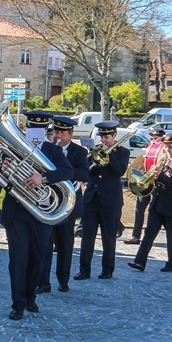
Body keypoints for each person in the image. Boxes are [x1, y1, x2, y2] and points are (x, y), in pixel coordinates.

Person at [2, 111, 72, 320]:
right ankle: (18, 303)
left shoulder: (53, 150)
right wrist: (4, 168)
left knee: (37, 259)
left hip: (41, 213)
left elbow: (68, 172)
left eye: (39, 130)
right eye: (32, 128)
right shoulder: (14, 148)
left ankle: (30, 296)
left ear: (45, 131)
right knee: (18, 259)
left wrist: (43, 178)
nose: (35, 133)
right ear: (27, 128)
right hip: (17, 212)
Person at [38, 116, 90, 293]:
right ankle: (43, 282)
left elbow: (85, 175)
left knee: (65, 246)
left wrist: (63, 170)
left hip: (68, 204)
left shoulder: (79, 152)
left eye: (63, 133)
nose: (59, 136)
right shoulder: (47, 150)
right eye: (56, 132)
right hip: (49, 202)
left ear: (71, 134)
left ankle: (63, 280)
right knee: (45, 245)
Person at [74, 120, 129, 281]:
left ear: (114, 136)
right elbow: (86, 174)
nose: (103, 140)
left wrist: (109, 154)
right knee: (87, 237)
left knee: (108, 237)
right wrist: (92, 157)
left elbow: (119, 171)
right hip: (91, 199)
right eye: (101, 137)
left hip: (110, 201)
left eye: (106, 137)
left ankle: (107, 269)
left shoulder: (123, 152)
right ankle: (84, 270)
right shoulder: (94, 151)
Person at [128, 133, 172, 272]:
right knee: (149, 233)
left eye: (169, 147)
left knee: (171, 236)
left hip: (170, 205)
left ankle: (170, 264)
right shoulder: (164, 161)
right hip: (157, 203)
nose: (167, 150)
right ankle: (139, 262)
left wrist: (160, 174)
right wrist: (150, 176)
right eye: (166, 147)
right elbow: (157, 180)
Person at [125, 128, 165, 246]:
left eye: (156, 138)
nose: (153, 140)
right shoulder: (149, 148)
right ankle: (135, 236)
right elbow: (143, 162)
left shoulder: (165, 150)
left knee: (155, 212)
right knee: (139, 209)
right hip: (146, 181)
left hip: (157, 184)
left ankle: (150, 236)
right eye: (152, 138)